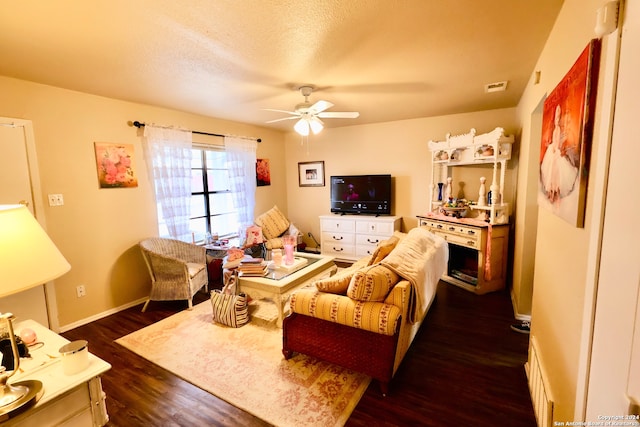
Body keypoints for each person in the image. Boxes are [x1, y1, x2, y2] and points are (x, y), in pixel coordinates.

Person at [540, 105, 579, 203]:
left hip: (556, 153)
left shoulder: (560, 131)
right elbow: (556, 141)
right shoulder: (556, 129)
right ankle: (552, 193)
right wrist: (553, 147)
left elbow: (560, 143)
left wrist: (558, 149)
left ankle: (554, 193)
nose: (558, 121)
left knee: (556, 175)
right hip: (554, 151)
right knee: (553, 175)